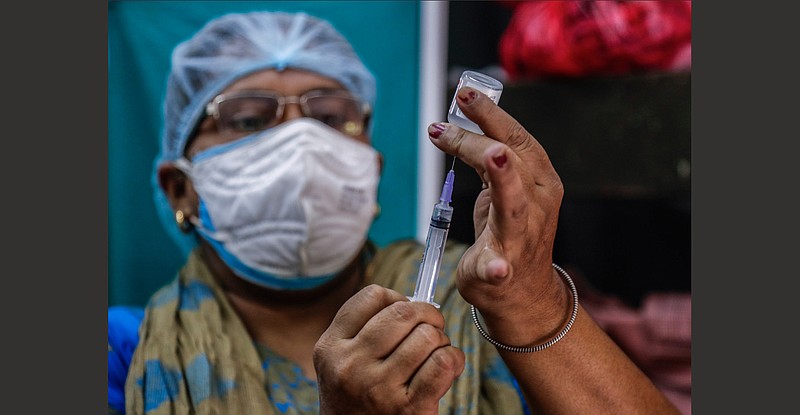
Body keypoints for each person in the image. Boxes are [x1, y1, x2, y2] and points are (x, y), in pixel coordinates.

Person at [107, 10, 682, 415]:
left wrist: (532, 303)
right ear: (180, 189)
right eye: (249, 120)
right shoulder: (123, 354)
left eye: (332, 118)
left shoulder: (486, 312)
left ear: (371, 171)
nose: (301, 141)